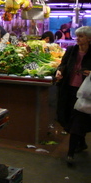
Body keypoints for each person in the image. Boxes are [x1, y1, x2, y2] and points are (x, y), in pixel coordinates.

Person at [54, 26, 91, 165]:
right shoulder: (71, 50)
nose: (78, 38)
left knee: (77, 120)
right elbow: (62, 65)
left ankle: (71, 152)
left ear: (89, 38)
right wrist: (59, 71)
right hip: (68, 89)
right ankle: (82, 143)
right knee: (66, 117)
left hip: (84, 92)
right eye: (77, 36)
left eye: (81, 36)